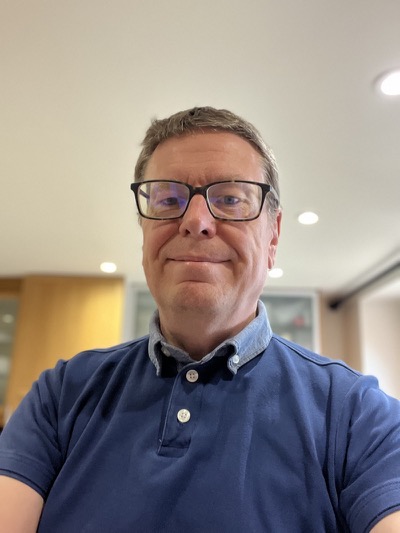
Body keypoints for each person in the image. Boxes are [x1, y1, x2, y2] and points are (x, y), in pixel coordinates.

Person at [0, 106, 399, 532]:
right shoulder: (60, 395)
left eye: (229, 199)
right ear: (144, 229)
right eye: (168, 200)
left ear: (273, 236)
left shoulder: (357, 415)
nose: (195, 221)